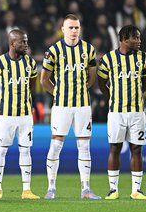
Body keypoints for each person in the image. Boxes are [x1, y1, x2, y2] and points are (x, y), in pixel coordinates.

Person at [41, 14, 101, 200]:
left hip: (83, 105)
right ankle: (51, 188)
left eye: (76, 27)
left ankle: (86, 189)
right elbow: (44, 80)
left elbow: (91, 78)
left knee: (84, 146)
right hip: (61, 106)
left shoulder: (89, 50)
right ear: (63, 29)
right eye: (70, 28)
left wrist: (80, 91)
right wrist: (59, 94)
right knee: (56, 144)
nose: (74, 31)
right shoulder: (54, 50)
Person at [97, 25, 146, 200]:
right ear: (124, 39)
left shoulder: (143, 58)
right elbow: (101, 83)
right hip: (116, 112)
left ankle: (136, 190)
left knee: (137, 149)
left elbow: (145, 81)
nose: (139, 41)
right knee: (115, 147)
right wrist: (111, 98)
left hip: (137, 112)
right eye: (136, 38)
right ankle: (113, 189)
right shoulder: (108, 59)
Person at [0, 29, 40, 200]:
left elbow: (32, 85)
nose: (26, 45)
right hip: (5, 116)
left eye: (26, 41)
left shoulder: (30, 63)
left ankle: (27, 190)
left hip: (25, 115)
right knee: (1, 150)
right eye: (22, 42)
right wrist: (1, 105)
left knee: (26, 150)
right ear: (12, 44)